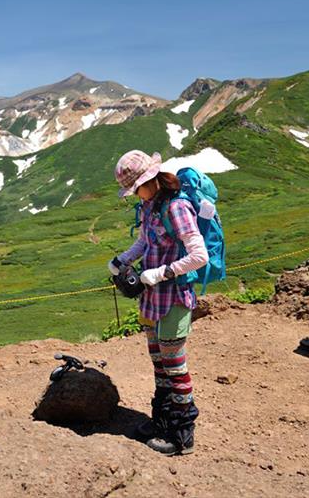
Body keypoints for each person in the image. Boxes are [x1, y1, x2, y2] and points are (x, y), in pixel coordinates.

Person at [111, 150, 208, 456]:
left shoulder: (177, 207)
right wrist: (122, 260)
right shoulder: (150, 207)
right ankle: (162, 421)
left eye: (135, 188)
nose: (134, 195)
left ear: (149, 180)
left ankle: (182, 434)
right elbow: (145, 242)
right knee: (159, 363)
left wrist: (160, 272)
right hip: (152, 298)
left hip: (173, 297)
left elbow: (199, 256)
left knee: (175, 365)